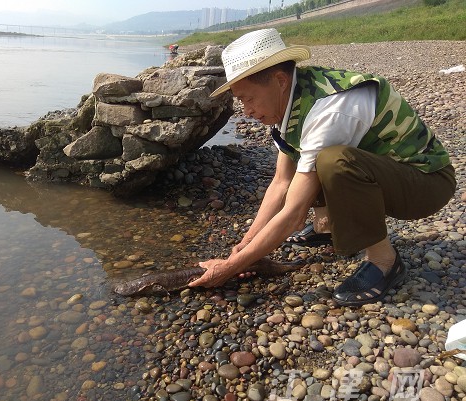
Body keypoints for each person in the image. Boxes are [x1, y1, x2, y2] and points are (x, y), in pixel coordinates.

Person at [189, 28, 456, 306]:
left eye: (248, 98)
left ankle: (384, 261)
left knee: (333, 162)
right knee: (313, 163)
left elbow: (293, 213)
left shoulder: (328, 109)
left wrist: (230, 268)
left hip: (426, 184)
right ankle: (326, 227)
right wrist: (248, 240)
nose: (246, 111)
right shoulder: (291, 99)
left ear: (279, 80)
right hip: (388, 174)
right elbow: (281, 182)